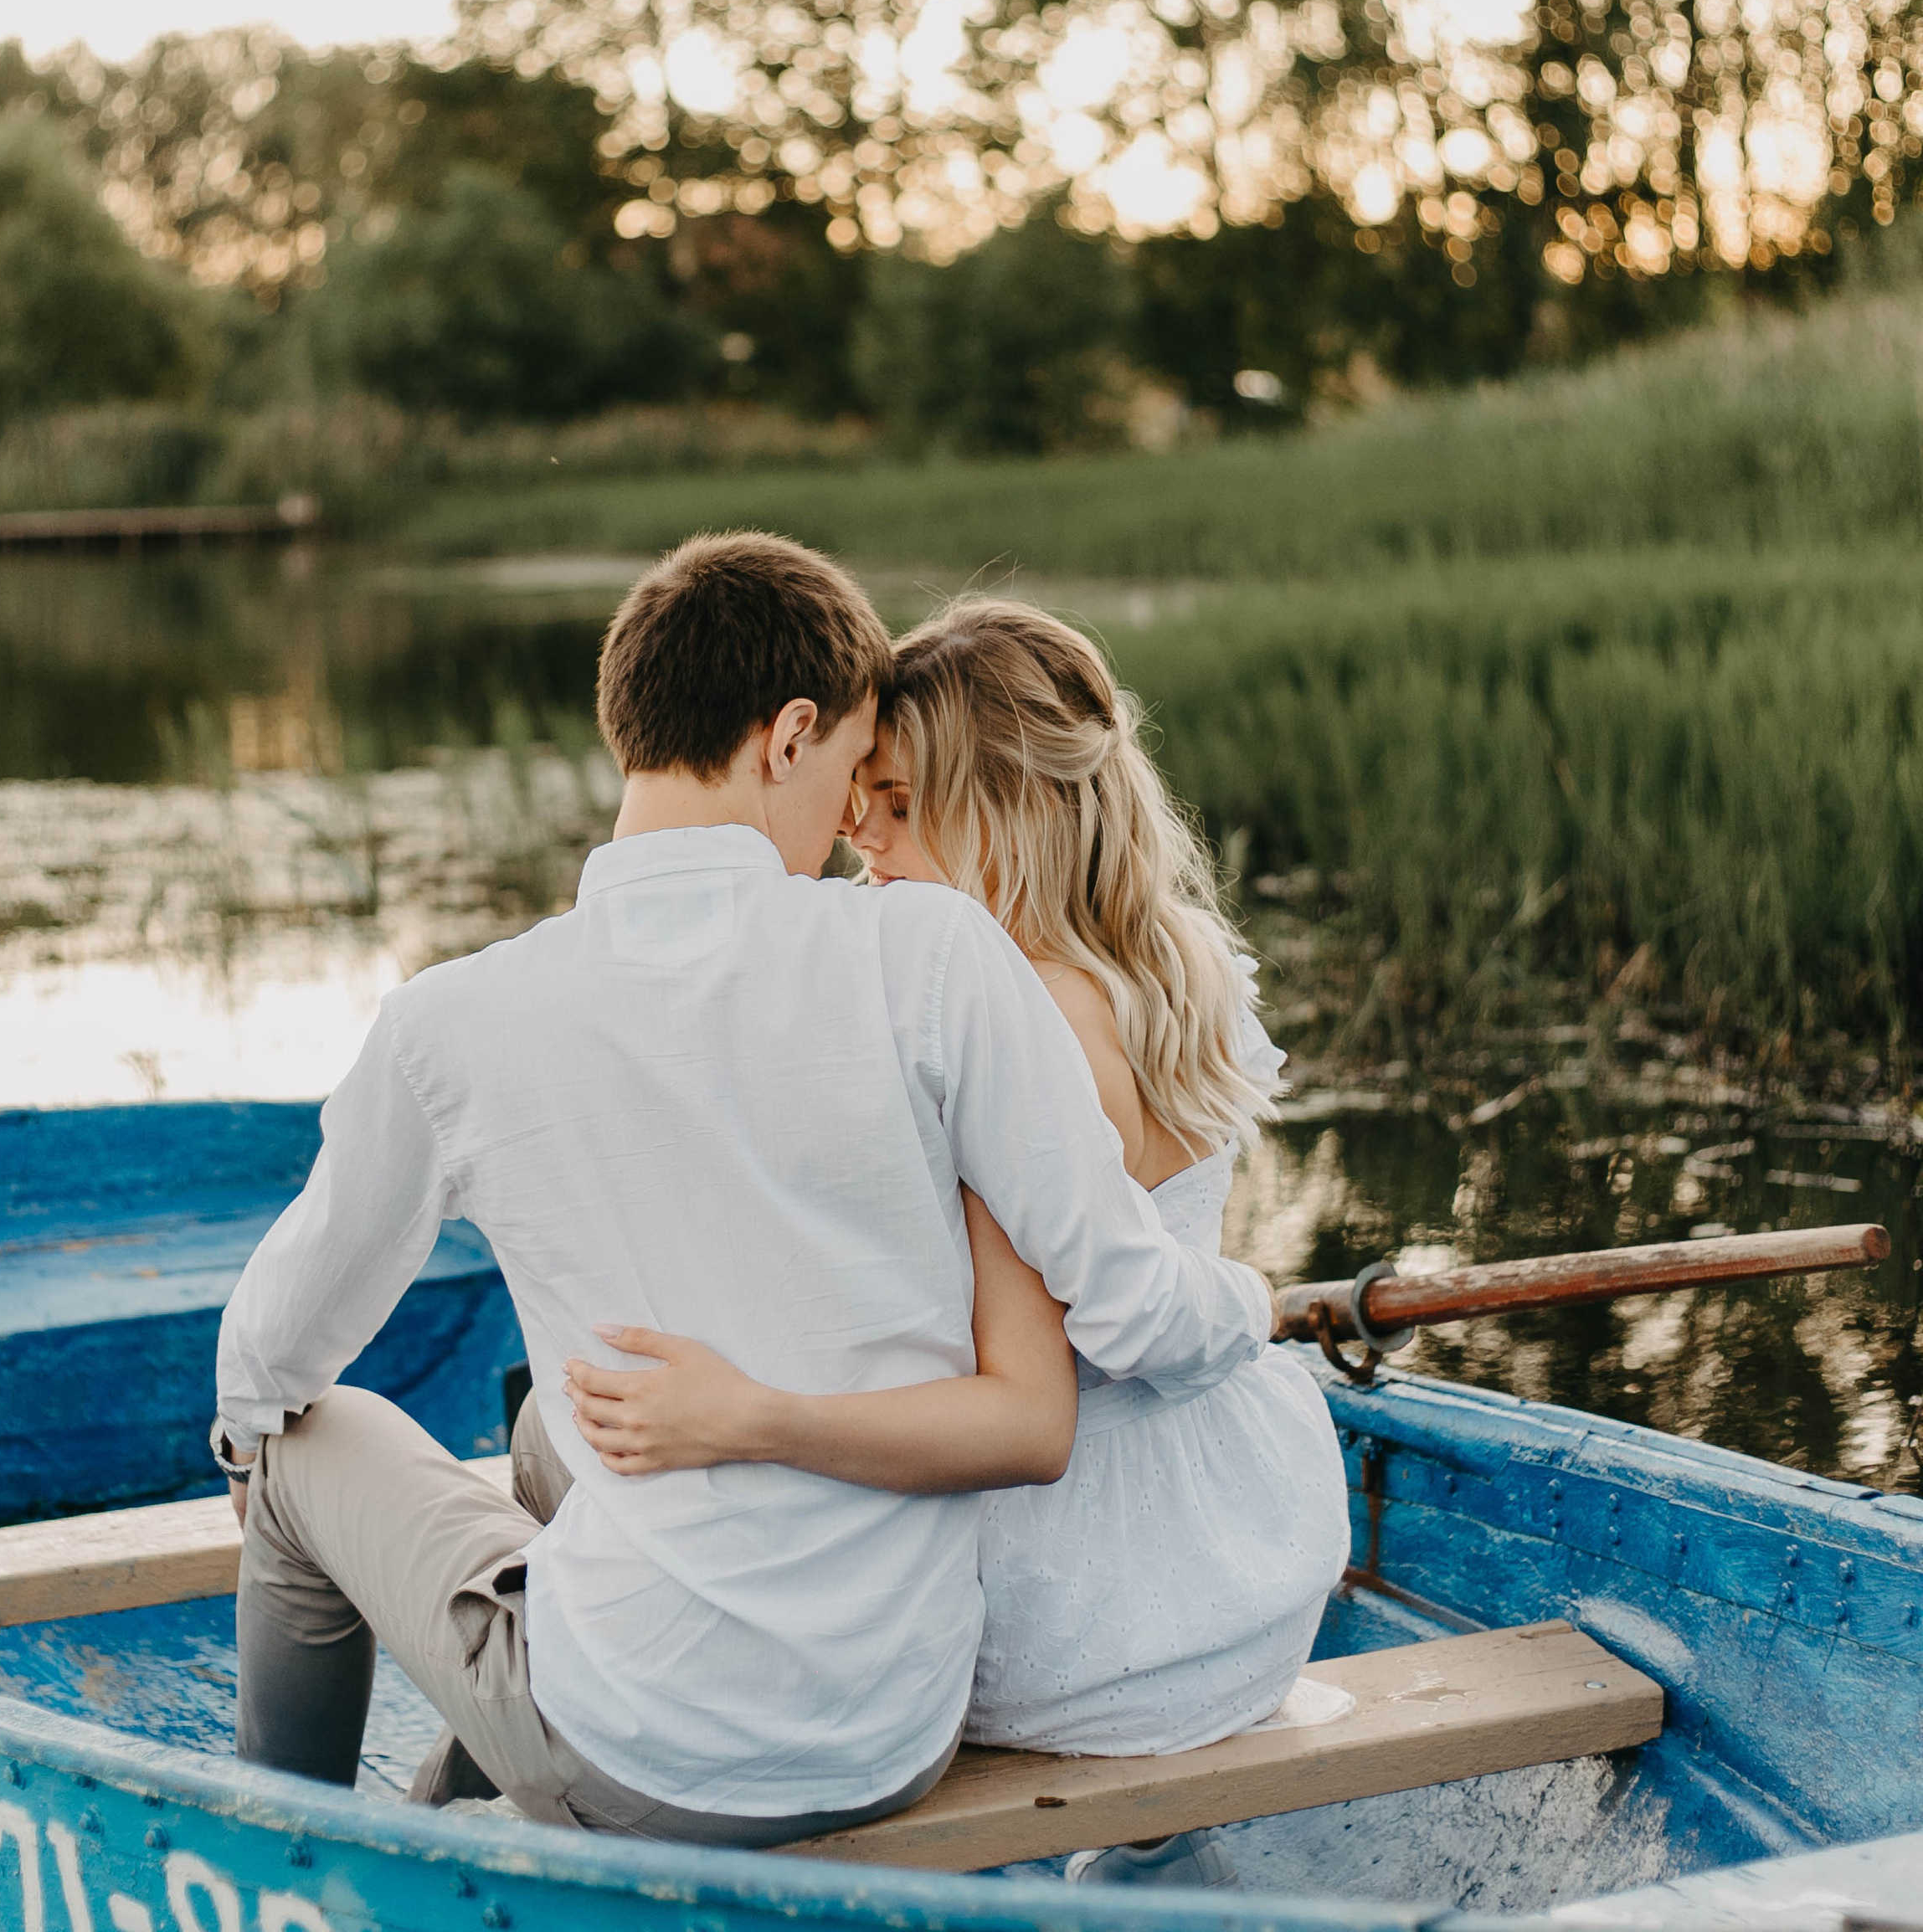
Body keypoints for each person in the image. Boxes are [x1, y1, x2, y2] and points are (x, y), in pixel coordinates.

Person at [212, 537, 1273, 1847]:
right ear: (787, 739)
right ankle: (464, 1785)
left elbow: (270, 1351)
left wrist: (243, 1439)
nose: (848, 826)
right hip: (900, 1731)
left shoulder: (450, 1023)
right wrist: (1251, 1302)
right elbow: (1137, 1310)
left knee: (296, 1434)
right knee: (555, 1430)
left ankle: (278, 1852)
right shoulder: (935, 956)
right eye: (848, 773)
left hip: (645, 1756)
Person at [565, 597, 1350, 1792]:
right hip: (1246, 1583)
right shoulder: (1177, 959)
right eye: (860, 796)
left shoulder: (1015, 1034)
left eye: (900, 804)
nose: (857, 837)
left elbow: (1035, 1381)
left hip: (1073, 1630)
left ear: (1012, 808)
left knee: (586, 1452)